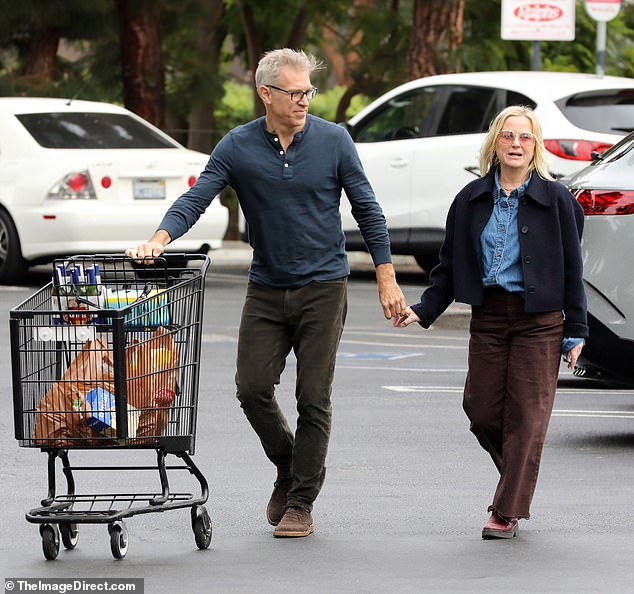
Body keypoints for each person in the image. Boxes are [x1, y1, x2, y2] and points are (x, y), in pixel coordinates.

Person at [126, 48, 406, 538]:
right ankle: (289, 465)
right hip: (267, 287)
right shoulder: (237, 146)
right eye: (295, 93)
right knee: (251, 388)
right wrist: (160, 238)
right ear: (266, 94)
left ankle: (301, 500)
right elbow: (197, 196)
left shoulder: (334, 141)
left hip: (323, 286)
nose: (304, 101)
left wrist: (385, 274)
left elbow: (367, 208)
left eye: (308, 93)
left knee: (312, 398)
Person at [394, 105, 587, 539]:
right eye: (508, 136)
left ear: (535, 146)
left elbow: (573, 270)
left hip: (540, 321)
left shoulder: (558, 201)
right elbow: (449, 264)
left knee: (527, 417)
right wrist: (423, 309)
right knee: (479, 410)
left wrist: (577, 329)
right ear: (495, 143)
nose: (516, 144)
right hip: (489, 316)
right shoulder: (470, 198)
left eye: (525, 137)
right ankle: (520, 472)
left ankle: (506, 510)